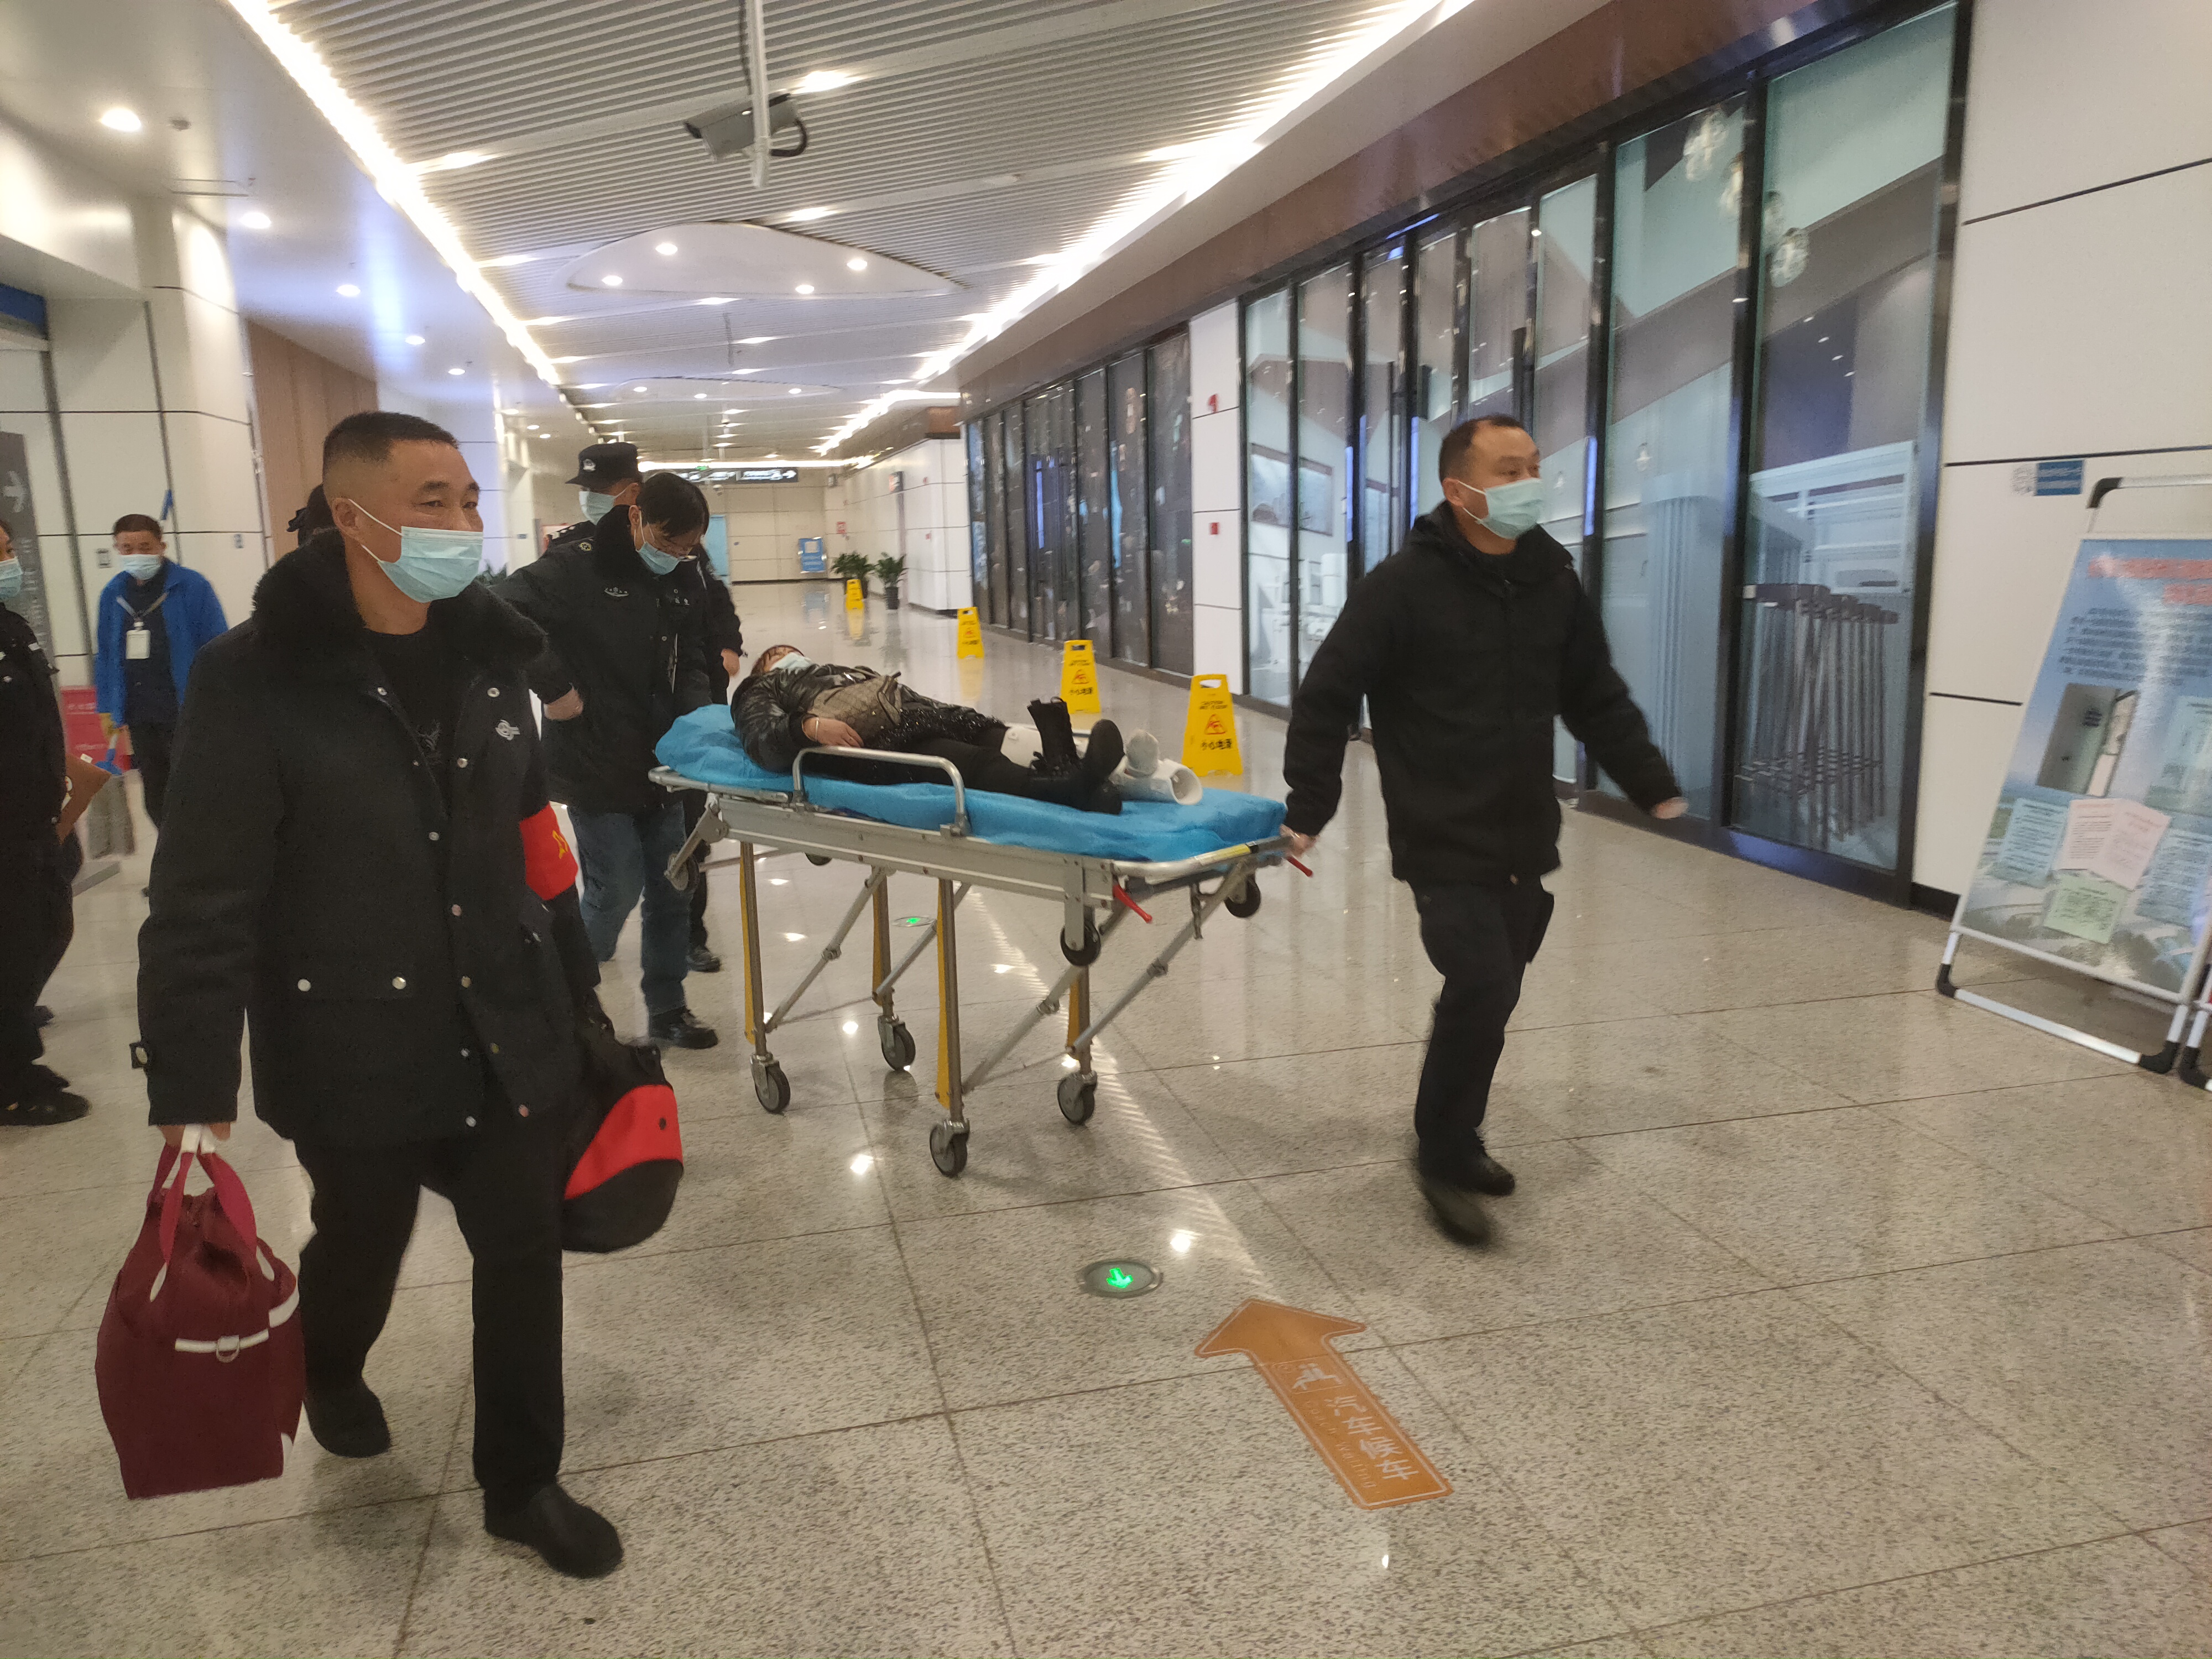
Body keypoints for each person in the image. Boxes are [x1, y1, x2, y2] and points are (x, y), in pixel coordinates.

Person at [137, 411, 622, 1578]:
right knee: (364, 1232)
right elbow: (202, 894)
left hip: (504, 1011)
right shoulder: (253, 679)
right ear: (352, 518)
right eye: (431, 501)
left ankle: (522, 1483)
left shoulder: (494, 653)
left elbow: (534, 837)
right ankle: (331, 1362)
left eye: (468, 498)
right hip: (350, 1027)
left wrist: (579, 995)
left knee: (521, 1244)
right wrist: (191, 1086)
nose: (463, 522)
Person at [1281, 414, 1685, 1245]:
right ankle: (1439, 1152)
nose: (1528, 483)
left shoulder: (1551, 581)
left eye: (1534, 466)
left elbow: (1594, 694)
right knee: (1483, 980)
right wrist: (1308, 807)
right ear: (1458, 490)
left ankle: (1458, 1136)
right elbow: (1328, 695)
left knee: (1496, 991)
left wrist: (1648, 781)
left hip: (1522, 829)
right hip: (1440, 828)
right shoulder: (1402, 587)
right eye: (1509, 470)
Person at [498, 473, 719, 1049]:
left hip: (664, 759)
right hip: (595, 755)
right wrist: (554, 687)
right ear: (637, 517)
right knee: (616, 885)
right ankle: (565, 1001)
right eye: (668, 542)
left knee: (673, 886)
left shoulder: (685, 572)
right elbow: (502, 611)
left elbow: (693, 652)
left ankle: (669, 1009)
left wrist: (699, 717)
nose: (677, 555)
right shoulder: (577, 565)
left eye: (688, 547)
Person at [736, 645, 1126, 812]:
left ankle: (1089, 774)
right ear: (765, 669)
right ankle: (1067, 789)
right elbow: (762, 740)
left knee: (1003, 737)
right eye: (776, 655)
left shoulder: (844, 671)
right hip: (880, 743)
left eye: (790, 650)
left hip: (924, 717)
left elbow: (907, 697)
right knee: (971, 761)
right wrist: (810, 727)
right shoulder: (762, 687)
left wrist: (963, 716)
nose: (788, 655)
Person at [0, 520, 89, 1125]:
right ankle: (11, 1078)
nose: (10, 562)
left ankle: (17, 1049)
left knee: (45, 928)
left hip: (35, 816)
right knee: (13, 942)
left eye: (8, 550)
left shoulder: (13, 628)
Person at [93, 514, 228, 831]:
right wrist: (108, 706)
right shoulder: (113, 594)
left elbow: (220, 647)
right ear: (117, 549)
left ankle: (202, 858)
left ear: (162, 547)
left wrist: (222, 702)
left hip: (188, 710)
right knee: (156, 797)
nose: (136, 555)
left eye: (145, 547)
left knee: (195, 793)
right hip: (141, 713)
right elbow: (106, 654)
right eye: (127, 549)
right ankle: (173, 859)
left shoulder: (192, 586)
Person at [675, 550, 744, 975]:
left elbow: (721, 606)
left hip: (697, 710)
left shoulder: (693, 562)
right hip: (633, 722)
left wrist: (729, 646)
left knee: (688, 833)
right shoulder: (597, 560)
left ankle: (691, 937)